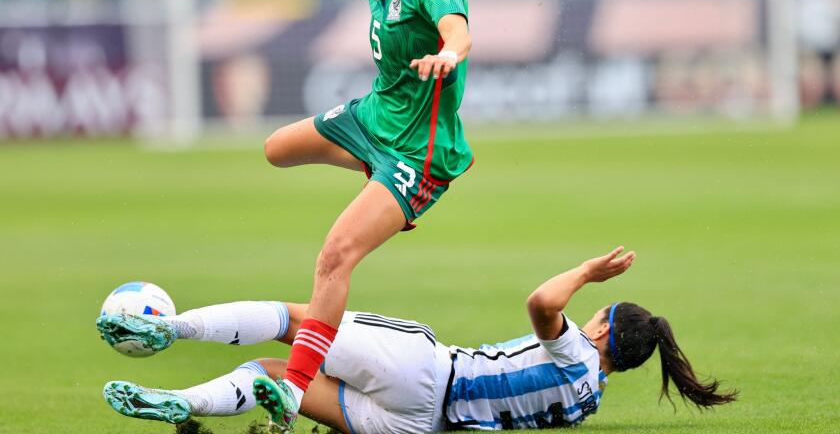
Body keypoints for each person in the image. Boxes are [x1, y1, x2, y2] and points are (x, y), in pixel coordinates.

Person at [236, 0, 505, 431]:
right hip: (373, 120)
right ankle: (378, 179)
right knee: (275, 150)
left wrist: (448, 57)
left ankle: (293, 391)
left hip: (416, 151)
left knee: (334, 256)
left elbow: (459, 32)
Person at [97, 247, 738, 432]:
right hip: (416, 425)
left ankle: (167, 327)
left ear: (601, 329)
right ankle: (185, 403)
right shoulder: (585, 404)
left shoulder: (574, 355)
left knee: (300, 320)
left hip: (429, 370)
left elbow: (542, 303)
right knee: (275, 372)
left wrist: (585, 272)